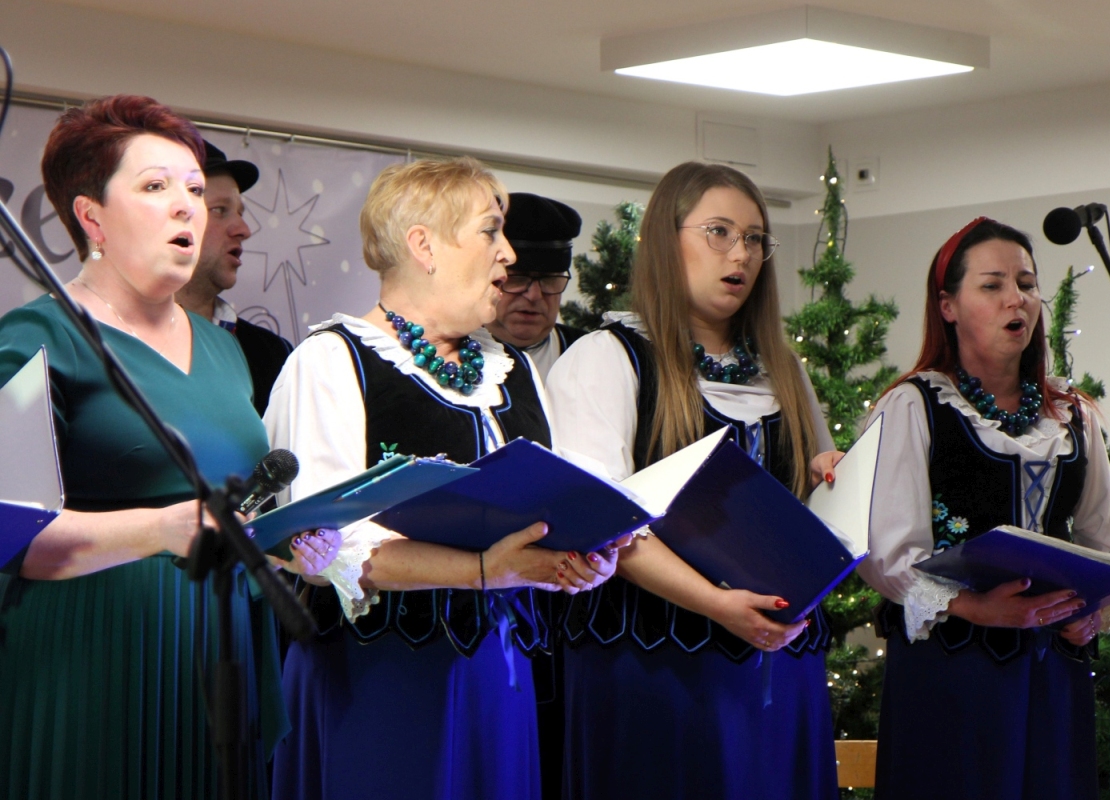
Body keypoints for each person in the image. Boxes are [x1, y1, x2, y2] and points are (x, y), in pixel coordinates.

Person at [0, 95, 333, 800]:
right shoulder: (36, 339)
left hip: (220, 652)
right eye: (155, 187)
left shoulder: (224, 351)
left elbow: (231, 511)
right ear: (91, 217)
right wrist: (158, 529)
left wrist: (285, 539)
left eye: (192, 189)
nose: (188, 207)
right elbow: (9, 530)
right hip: (91, 661)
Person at [264, 157, 624, 800]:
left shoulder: (512, 369)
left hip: (501, 675)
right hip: (380, 677)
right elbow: (327, 549)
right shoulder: (332, 360)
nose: (508, 255)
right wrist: (484, 569)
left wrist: (580, 554)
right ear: (423, 245)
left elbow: (550, 505)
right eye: (490, 231)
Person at [546, 161, 842, 799]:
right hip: (654, 667)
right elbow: (605, 526)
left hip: (777, 664)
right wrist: (716, 604)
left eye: (755, 238)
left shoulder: (785, 370)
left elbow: (817, 505)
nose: (741, 254)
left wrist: (831, 479)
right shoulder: (608, 358)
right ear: (665, 239)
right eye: (719, 232)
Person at [857, 217, 1110, 799]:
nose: (1016, 299)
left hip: (1052, 673)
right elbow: (885, 554)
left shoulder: (1072, 415)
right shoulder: (914, 406)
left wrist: (1095, 612)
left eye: (1026, 284)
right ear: (948, 306)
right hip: (953, 672)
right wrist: (978, 607)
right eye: (993, 285)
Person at [177, 140, 294, 415]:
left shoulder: (271, 353)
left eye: (240, 213)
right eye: (220, 210)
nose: (243, 229)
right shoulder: (109, 339)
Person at [485, 192, 585, 377]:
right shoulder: (443, 353)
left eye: (549, 279)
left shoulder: (589, 355)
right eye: (518, 278)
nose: (534, 295)